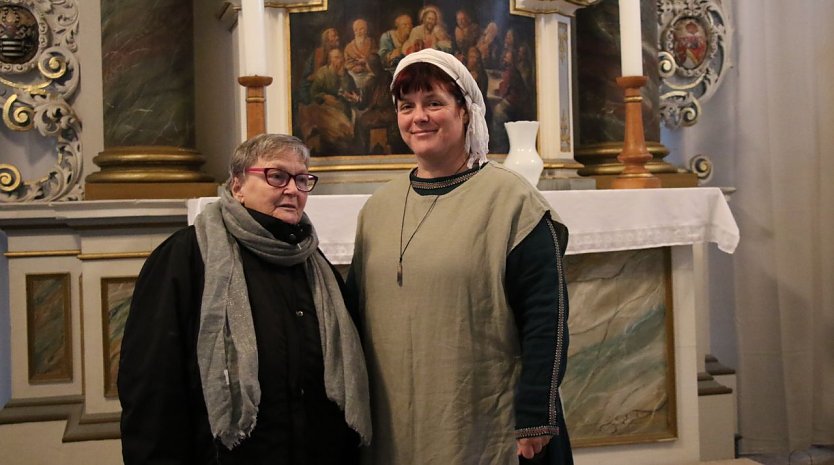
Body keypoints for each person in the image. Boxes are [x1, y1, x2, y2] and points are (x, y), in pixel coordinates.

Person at [348, 48, 572, 464]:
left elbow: (548, 316)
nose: (419, 117)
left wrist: (535, 414)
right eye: (407, 106)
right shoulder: (377, 208)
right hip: (395, 416)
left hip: (482, 416)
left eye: (434, 103)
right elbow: (356, 317)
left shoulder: (512, 200)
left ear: (466, 112)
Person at [118, 134, 371, 465]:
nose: (293, 190)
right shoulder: (186, 257)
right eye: (276, 176)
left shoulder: (314, 263)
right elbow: (151, 383)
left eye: (302, 179)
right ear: (237, 185)